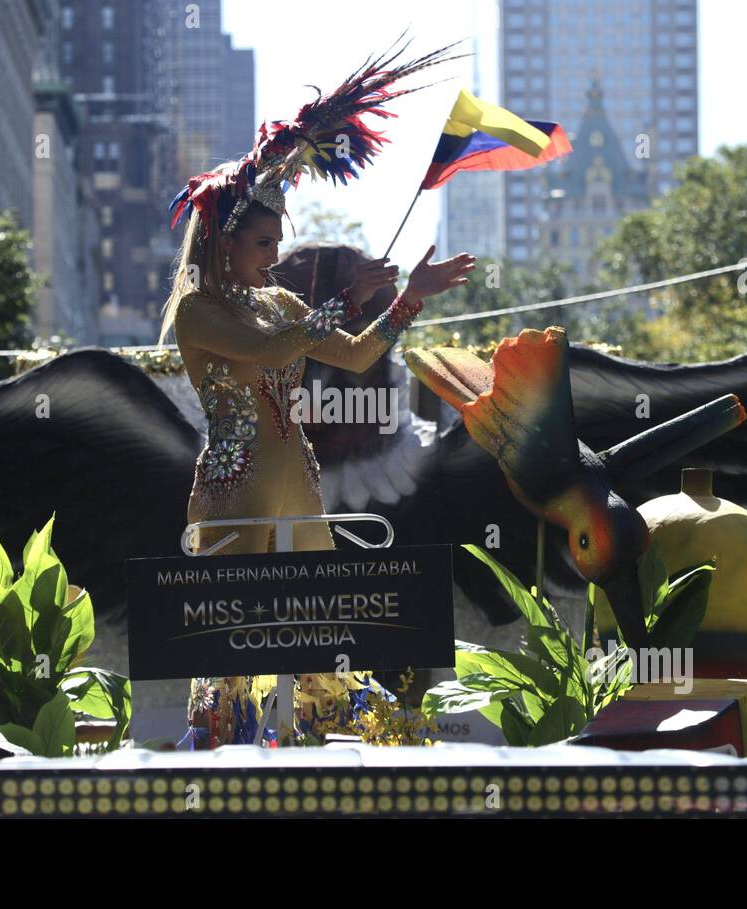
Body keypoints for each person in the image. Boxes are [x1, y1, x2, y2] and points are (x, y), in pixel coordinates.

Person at [156, 39, 471, 747]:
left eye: (277, 243)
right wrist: (339, 299)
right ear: (224, 242)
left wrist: (406, 301)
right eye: (263, 242)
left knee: (324, 639)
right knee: (228, 654)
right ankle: (218, 764)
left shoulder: (282, 305)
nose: (273, 256)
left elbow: (357, 356)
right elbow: (270, 353)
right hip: (232, 494)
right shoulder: (197, 311)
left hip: (298, 483)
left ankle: (331, 749)